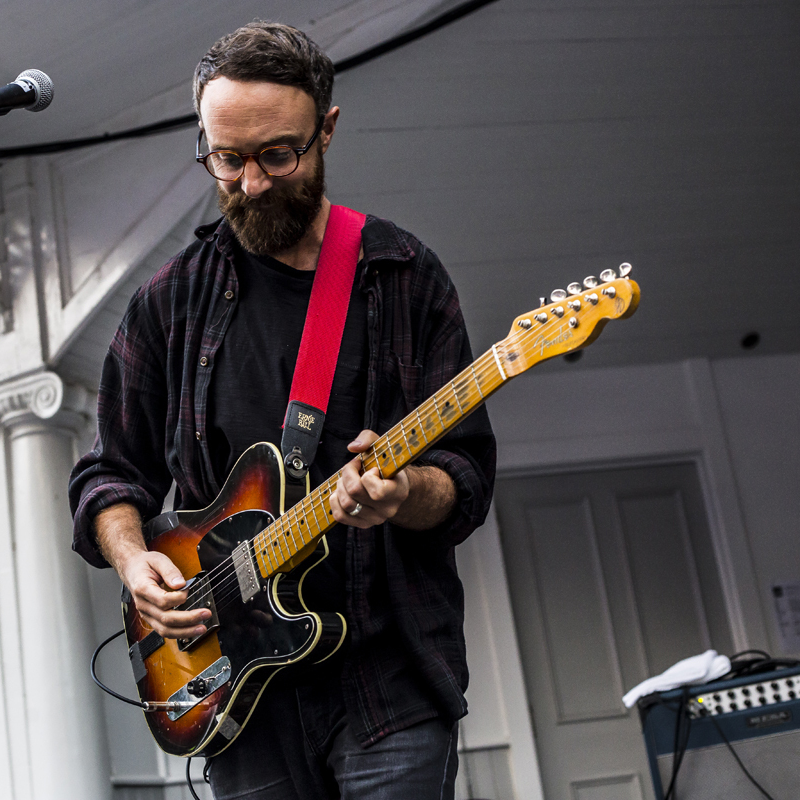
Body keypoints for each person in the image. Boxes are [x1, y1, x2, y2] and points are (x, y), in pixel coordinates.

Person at [69, 21, 496, 800]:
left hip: (386, 679)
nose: (252, 184)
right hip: (237, 692)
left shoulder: (403, 277)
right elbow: (107, 473)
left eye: (276, 155)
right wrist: (136, 563)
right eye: (226, 159)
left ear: (326, 129)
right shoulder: (171, 300)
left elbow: (464, 475)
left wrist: (402, 496)